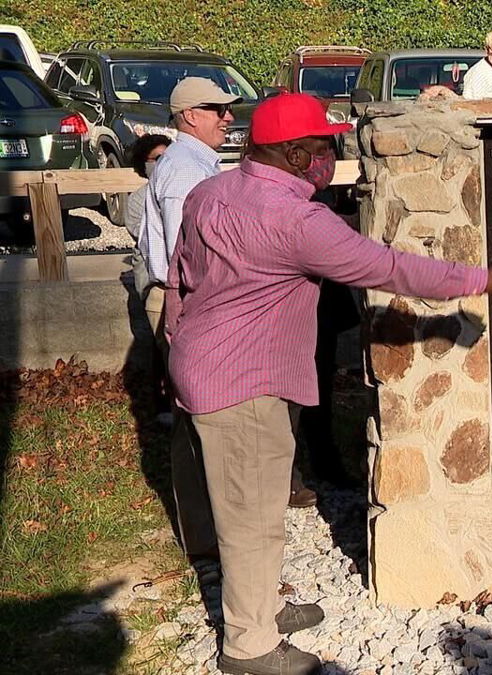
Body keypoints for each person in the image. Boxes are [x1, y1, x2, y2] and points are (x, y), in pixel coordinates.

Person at [167, 93, 492, 674]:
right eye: (322, 147)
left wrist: (177, 336)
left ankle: (255, 606)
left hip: (202, 364)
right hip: (246, 382)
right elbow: (389, 267)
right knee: (252, 517)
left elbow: (180, 276)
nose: (329, 156)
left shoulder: (209, 194)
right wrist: (486, 279)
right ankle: (250, 645)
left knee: (241, 505)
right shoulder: (297, 220)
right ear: (294, 154)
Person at [138, 77, 241, 562]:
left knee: (201, 421)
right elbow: (190, 252)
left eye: (226, 108)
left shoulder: (195, 162)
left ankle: (209, 533)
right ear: (187, 116)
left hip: (191, 298)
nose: (227, 116)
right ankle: (207, 538)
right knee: (201, 423)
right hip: (189, 300)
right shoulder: (183, 170)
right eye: (215, 108)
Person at [123, 134, 172, 301]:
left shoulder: (182, 190)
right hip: (151, 272)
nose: (163, 163)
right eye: (158, 158)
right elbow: (143, 235)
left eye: (168, 157)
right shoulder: (136, 199)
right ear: (144, 164)